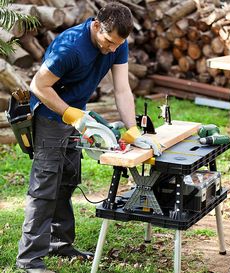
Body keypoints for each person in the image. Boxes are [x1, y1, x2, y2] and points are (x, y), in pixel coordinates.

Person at [16, 2, 161, 272]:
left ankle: (58, 243)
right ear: (96, 26)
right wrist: (70, 113)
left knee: (68, 180)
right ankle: (29, 259)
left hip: (78, 117)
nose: (112, 49)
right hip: (49, 115)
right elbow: (38, 85)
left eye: (118, 44)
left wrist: (132, 131)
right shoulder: (70, 46)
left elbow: (121, 89)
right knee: (45, 186)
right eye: (108, 42)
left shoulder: (118, 43)